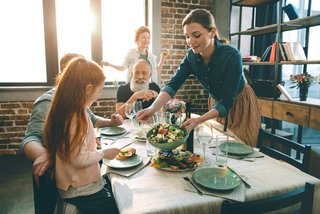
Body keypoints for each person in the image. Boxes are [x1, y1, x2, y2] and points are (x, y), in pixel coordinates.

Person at [136, 9, 261, 147]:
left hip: (240, 102)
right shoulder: (191, 56)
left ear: (212, 32)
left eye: (196, 35)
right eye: (187, 36)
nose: (191, 41)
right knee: (220, 146)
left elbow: (226, 102)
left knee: (242, 149)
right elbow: (173, 85)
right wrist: (153, 108)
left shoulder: (232, 56)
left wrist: (198, 120)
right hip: (216, 104)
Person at [20, 53, 123, 214]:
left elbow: (76, 139)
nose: (99, 95)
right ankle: (71, 209)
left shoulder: (70, 107)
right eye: (99, 91)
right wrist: (104, 153)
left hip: (74, 183)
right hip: (81, 188)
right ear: (87, 88)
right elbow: (78, 158)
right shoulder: (74, 115)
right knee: (117, 206)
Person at [101, 26, 168, 85]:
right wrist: (109, 64)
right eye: (143, 37)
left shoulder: (152, 57)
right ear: (137, 40)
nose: (146, 40)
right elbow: (122, 68)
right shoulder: (131, 53)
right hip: (133, 87)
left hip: (147, 88)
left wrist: (163, 59)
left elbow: (155, 73)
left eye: (148, 38)